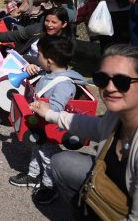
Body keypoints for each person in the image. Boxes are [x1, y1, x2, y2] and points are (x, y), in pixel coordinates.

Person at [32, 45, 138, 219]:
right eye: (102, 79)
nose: (110, 88)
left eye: (122, 81)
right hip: (112, 190)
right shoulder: (115, 116)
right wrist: (50, 114)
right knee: (62, 162)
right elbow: (94, 127)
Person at [8, 35, 85, 205]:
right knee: (37, 149)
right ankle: (33, 175)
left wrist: (41, 107)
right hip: (41, 127)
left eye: (39, 55)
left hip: (50, 129)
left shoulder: (64, 83)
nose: (37, 58)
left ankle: (50, 186)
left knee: (48, 157)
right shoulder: (50, 72)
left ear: (49, 61)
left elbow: (56, 109)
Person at [0, 7, 71, 64]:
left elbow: (52, 64)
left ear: (64, 24)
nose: (49, 25)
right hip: (20, 62)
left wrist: (25, 57)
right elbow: (14, 35)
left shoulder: (65, 44)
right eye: (47, 21)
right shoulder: (37, 29)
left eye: (54, 22)